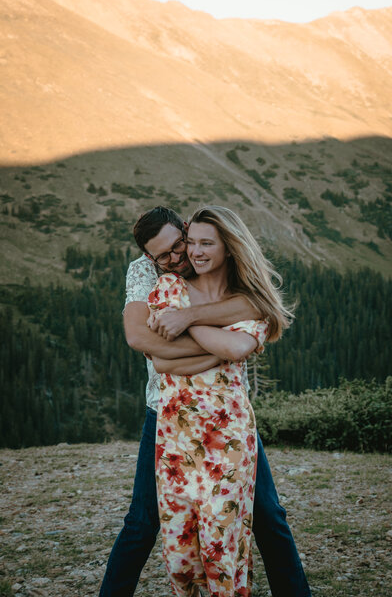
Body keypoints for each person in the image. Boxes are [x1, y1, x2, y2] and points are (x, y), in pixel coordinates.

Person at [99, 206, 311, 597]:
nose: (177, 257)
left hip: (224, 417)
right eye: (164, 255)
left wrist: (187, 318)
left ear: (184, 230)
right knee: (143, 522)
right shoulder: (146, 274)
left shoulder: (205, 255)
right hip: (165, 412)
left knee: (268, 515)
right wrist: (220, 351)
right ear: (150, 258)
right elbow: (142, 342)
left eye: (179, 245)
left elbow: (257, 304)